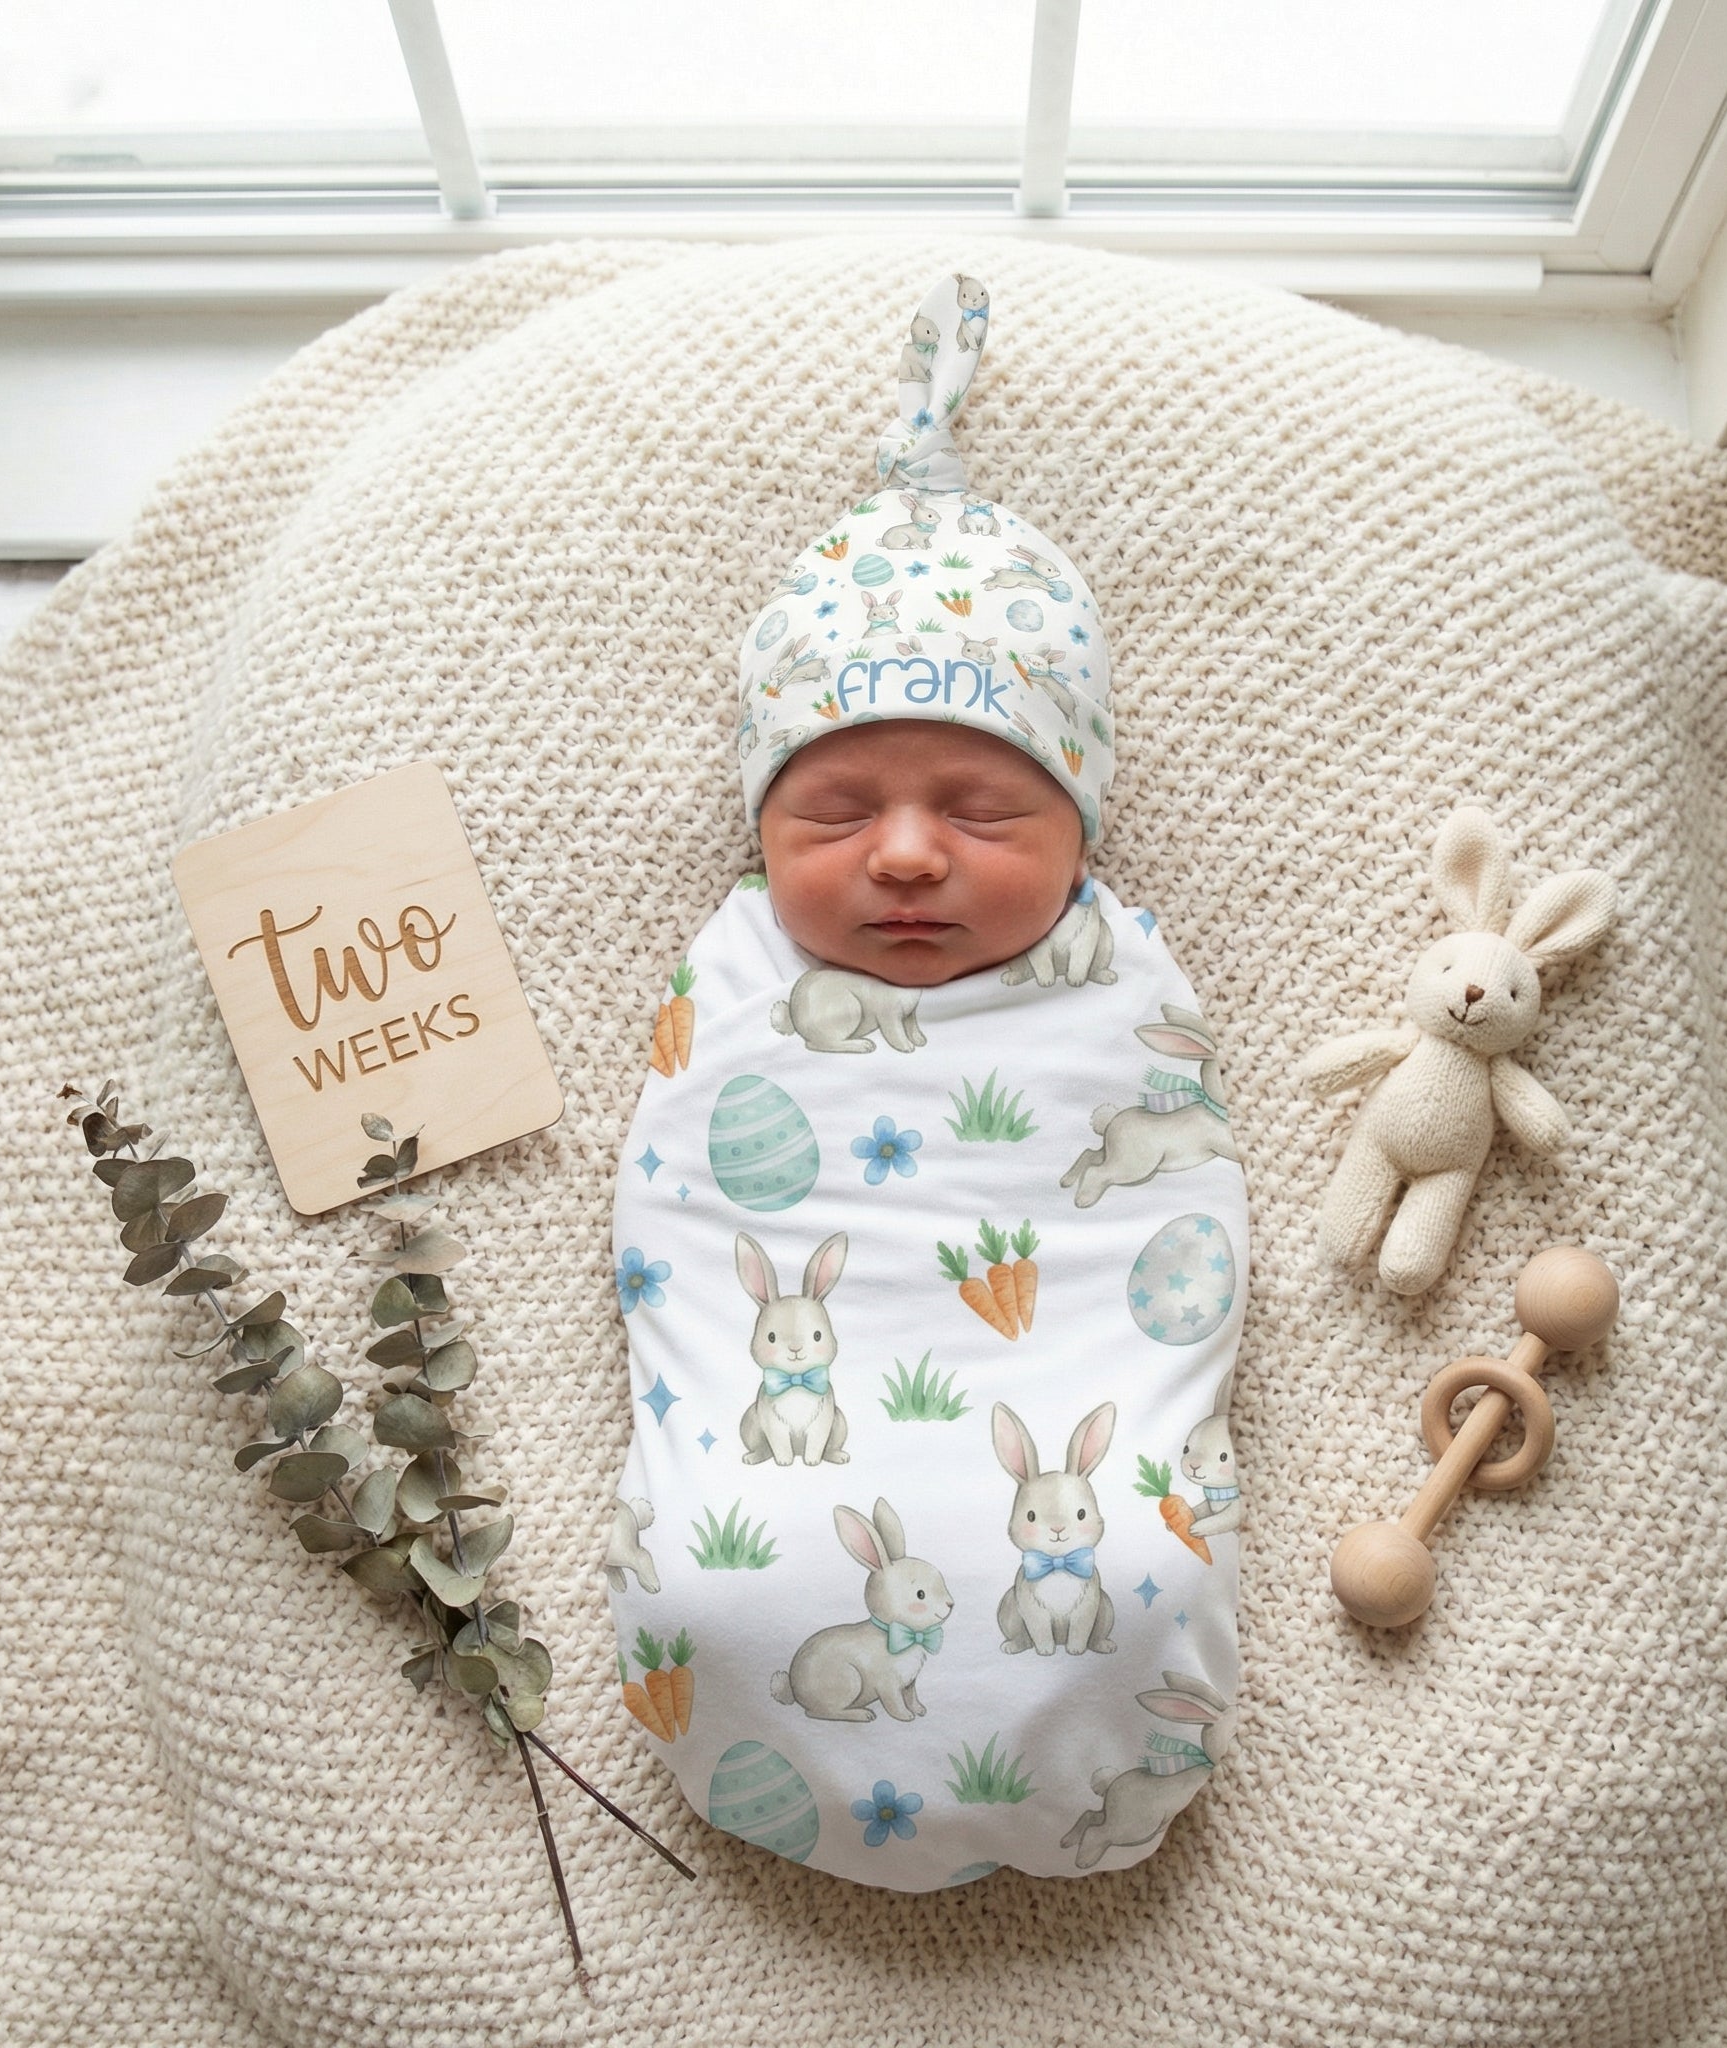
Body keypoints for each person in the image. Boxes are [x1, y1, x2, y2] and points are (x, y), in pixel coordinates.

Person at [603, 274, 1249, 1890]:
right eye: (833, 815)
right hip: (791, 1457)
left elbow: (1168, 1244)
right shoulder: (746, 980)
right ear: (760, 831)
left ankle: (1114, 1699)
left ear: (1082, 829)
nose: (902, 854)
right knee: (716, 1577)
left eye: (979, 806)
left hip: (1058, 1416)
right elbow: (678, 1224)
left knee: (1134, 1572)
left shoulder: (1117, 979)